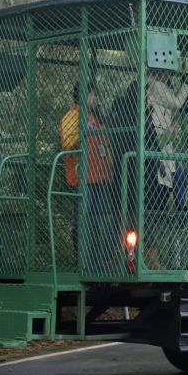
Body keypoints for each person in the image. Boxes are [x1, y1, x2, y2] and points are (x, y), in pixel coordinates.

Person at [59, 80, 114, 270]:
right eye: (92, 94)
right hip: (82, 176)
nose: (95, 98)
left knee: (96, 217)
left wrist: (109, 166)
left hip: (100, 176)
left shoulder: (94, 117)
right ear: (84, 95)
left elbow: (104, 143)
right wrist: (82, 133)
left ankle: (94, 261)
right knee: (82, 217)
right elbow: (67, 143)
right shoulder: (71, 117)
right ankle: (81, 260)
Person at [146, 69, 188, 211]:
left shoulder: (161, 86)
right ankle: (178, 208)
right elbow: (177, 103)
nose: (169, 75)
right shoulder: (156, 86)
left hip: (164, 144)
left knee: (178, 176)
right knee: (170, 177)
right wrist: (185, 84)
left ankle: (181, 207)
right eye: (166, 72)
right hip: (158, 141)